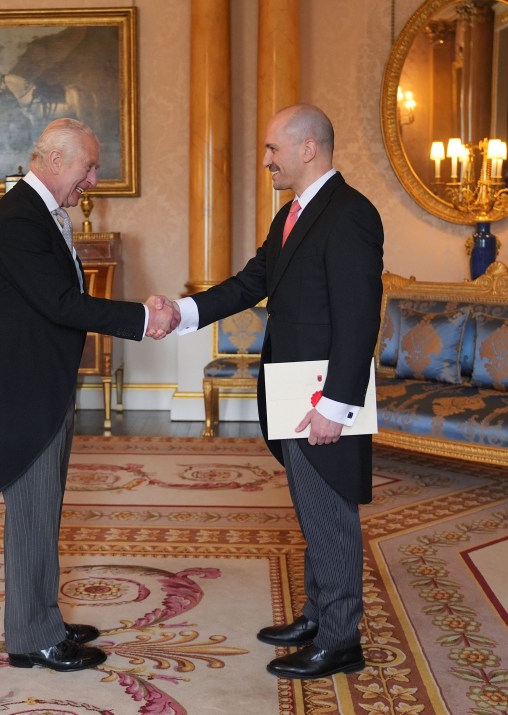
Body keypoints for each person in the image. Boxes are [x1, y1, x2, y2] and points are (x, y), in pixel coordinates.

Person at [173, 104, 384, 679]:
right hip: (291, 389)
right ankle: (319, 615)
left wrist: (335, 408)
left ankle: (341, 640)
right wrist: (182, 313)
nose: (266, 160)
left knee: (332, 513)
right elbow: (251, 283)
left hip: (322, 398)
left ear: (308, 148)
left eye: (273, 150)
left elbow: (359, 318)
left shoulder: (351, 214)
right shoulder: (291, 215)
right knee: (312, 512)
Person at [0, 117, 178, 672]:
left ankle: (41, 616)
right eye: (89, 166)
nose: (94, 178)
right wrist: (142, 317)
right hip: (25, 390)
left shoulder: (38, 212)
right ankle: (32, 637)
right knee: (33, 514)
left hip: (41, 381)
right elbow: (63, 303)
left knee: (43, 510)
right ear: (58, 160)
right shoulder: (19, 218)